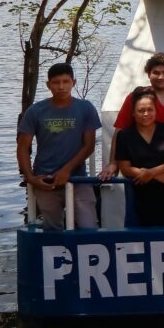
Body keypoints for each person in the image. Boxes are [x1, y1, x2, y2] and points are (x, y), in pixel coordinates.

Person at [16, 63, 101, 230]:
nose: (61, 87)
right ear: (48, 85)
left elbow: (89, 145)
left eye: (65, 81)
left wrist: (67, 170)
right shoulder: (35, 111)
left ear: (73, 82)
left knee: (89, 226)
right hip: (45, 179)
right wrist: (30, 177)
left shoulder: (86, 108)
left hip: (78, 178)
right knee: (52, 229)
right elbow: (23, 147)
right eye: (56, 82)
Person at [102, 52, 164, 180]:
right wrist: (113, 163)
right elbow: (120, 131)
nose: (161, 77)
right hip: (142, 167)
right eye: (156, 73)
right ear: (148, 74)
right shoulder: (135, 97)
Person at [115, 87, 164, 227]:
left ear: (155, 111)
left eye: (150, 110)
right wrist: (156, 176)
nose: (146, 114)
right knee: (141, 234)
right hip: (139, 192)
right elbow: (125, 168)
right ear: (133, 113)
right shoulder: (124, 135)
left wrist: (151, 173)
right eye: (141, 110)